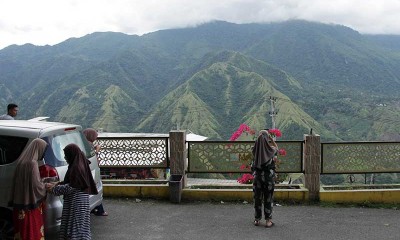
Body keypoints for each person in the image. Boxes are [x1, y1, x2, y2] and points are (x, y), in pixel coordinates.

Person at [46, 143, 98, 240]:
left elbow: (71, 186)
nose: (65, 157)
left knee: (74, 227)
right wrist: (58, 183)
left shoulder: (77, 167)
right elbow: (73, 181)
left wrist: (53, 189)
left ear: (71, 154)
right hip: (81, 201)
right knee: (80, 227)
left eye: (66, 155)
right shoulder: (80, 162)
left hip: (76, 203)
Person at [10, 138, 48, 240]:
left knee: (21, 232)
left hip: (19, 206)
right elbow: (36, 186)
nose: (43, 153)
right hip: (30, 206)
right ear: (38, 149)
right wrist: (46, 186)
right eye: (43, 150)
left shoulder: (22, 161)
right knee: (32, 232)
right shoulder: (32, 163)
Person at [251, 129, 278, 228]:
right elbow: (276, 148)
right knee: (268, 199)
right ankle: (268, 221)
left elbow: (255, 147)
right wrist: (271, 139)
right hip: (268, 180)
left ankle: (257, 219)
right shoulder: (272, 150)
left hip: (257, 179)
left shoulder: (255, 151)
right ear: (267, 139)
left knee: (257, 199)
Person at [83, 128, 108, 216]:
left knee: (94, 188)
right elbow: (91, 159)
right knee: (95, 188)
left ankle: (97, 209)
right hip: (91, 170)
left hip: (88, 171)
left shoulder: (83, 144)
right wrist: (96, 151)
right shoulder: (88, 145)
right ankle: (99, 210)